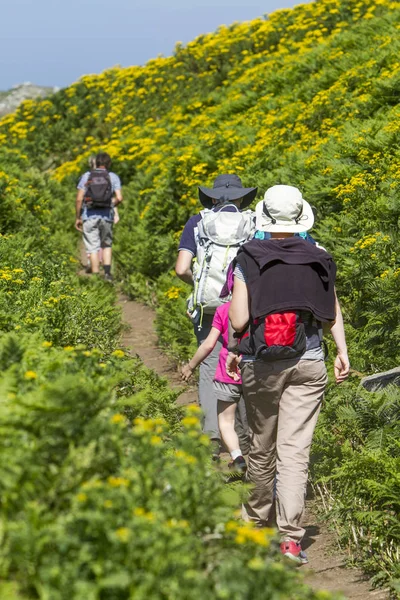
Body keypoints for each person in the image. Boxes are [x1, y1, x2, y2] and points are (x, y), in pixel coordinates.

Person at [227, 184, 350, 564]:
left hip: (262, 363)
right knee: (295, 452)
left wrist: (233, 345)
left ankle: (254, 521)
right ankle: (291, 540)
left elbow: (240, 319)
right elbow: (329, 313)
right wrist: (342, 351)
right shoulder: (319, 256)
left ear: (265, 216)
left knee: (262, 446)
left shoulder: (248, 256)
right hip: (310, 359)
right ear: (300, 218)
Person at [175, 174, 257, 459]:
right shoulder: (252, 222)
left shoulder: (197, 222)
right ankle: (244, 441)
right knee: (243, 364)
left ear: (212, 197)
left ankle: (212, 436)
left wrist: (198, 287)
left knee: (211, 366)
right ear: (240, 198)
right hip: (244, 307)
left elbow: (181, 268)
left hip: (209, 308)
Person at [181, 264, 250, 477]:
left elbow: (209, 344)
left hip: (226, 374)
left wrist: (190, 365)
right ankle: (256, 463)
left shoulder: (222, 310)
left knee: (226, 422)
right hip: (251, 371)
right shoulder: (257, 310)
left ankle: (237, 457)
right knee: (252, 423)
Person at [75, 152, 122, 281]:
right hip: (107, 216)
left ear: (96, 162)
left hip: (89, 215)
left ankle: (96, 279)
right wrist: (110, 204)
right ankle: (107, 274)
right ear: (109, 163)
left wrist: (78, 217)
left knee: (93, 247)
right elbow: (119, 197)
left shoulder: (87, 176)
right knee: (106, 244)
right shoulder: (113, 177)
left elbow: (79, 199)